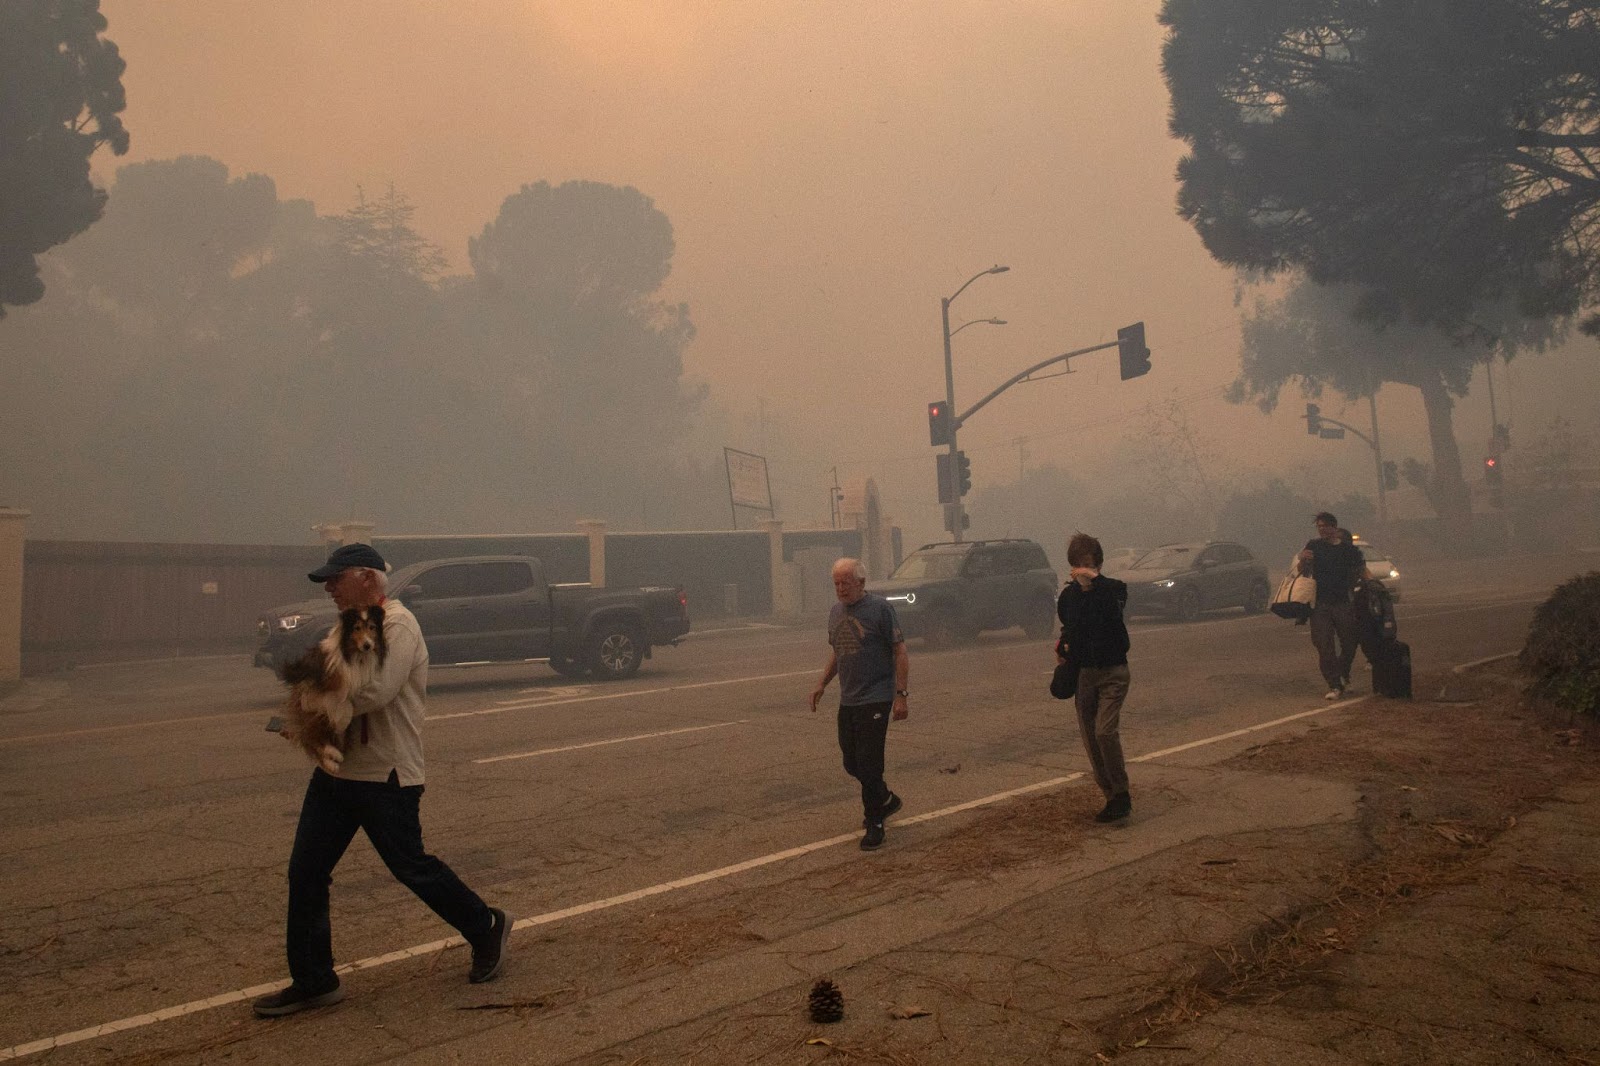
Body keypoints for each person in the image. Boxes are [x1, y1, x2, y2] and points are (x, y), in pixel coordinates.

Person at [253, 543, 513, 1017]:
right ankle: (313, 980)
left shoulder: (398, 624)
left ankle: (486, 925)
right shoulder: (349, 628)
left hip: (386, 773)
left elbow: (375, 690)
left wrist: (316, 694)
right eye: (327, 581)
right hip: (337, 772)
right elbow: (330, 679)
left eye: (337, 579)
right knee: (306, 872)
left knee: (411, 867)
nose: (329, 588)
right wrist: (315, 698)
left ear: (368, 579)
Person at [810, 557, 909, 851]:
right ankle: (887, 800)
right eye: (836, 583)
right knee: (851, 763)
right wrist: (821, 684)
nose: (840, 589)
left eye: (846, 583)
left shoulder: (880, 609)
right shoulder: (835, 612)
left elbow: (900, 652)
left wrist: (901, 696)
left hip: (876, 697)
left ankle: (875, 822)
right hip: (849, 699)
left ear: (861, 583)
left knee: (869, 765)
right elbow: (839, 653)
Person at [1056, 532, 1133, 823]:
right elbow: (1071, 624)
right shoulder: (1068, 596)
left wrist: (1094, 587)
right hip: (1085, 672)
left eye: (1088, 564)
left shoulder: (1114, 589)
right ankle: (1111, 796)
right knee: (1090, 737)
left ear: (1098, 564)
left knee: (1105, 731)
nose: (1083, 570)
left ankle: (1122, 792)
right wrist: (1064, 647)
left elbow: (1112, 618)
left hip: (1114, 670)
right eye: (1078, 564)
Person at [1298, 512, 1370, 700]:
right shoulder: (1313, 546)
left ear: (1334, 528)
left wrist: (1372, 587)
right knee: (1324, 644)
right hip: (1320, 604)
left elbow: (1362, 571)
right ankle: (1334, 684)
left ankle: (1343, 673)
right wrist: (1302, 559)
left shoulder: (1348, 550)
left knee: (1349, 642)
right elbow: (1302, 571)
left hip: (1343, 603)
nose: (1321, 530)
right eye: (1319, 526)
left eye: (1325, 526)